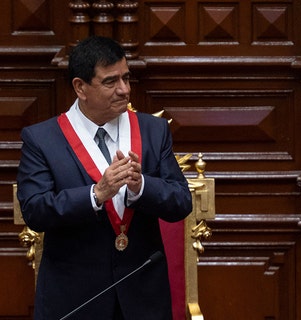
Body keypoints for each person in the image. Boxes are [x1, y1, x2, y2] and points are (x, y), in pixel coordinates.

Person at [16, 36, 193, 319]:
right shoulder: (42, 139)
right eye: (110, 82)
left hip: (143, 299)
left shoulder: (153, 131)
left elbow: (182, 201)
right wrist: (96, 194)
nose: (124, 90)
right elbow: (35, 211)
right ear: (80, 87)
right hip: (76, 300)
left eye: (126, 78)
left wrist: (141, 186)